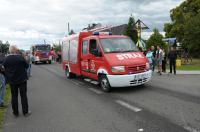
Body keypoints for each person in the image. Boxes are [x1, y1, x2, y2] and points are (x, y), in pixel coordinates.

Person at [3, 45, 31, 117]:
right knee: (23, 96)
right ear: (15, 50)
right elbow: (27, 66)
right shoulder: (20, 57)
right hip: (22, 80)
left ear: (10, 50)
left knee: (14, 96)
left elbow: (3, 67)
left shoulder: (6, 59)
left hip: (12, 80)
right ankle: (25, 112)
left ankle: (15, 112)